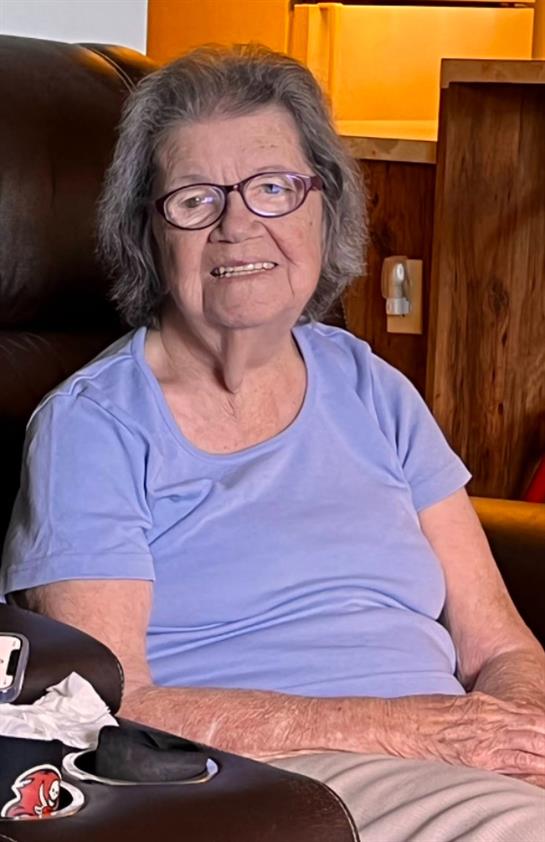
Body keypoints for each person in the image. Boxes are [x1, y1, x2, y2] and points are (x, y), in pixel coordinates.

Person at [1, 45, 544, 840]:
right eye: (195, 199)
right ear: (146, 234)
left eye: (274, 188)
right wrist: (411, 730)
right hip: (277, 779)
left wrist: (523, 729)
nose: (238, 227)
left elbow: (496, 640)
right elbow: (105, 701)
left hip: (463, 754)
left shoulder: (372, 387)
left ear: (324, 208)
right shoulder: (94, 427)